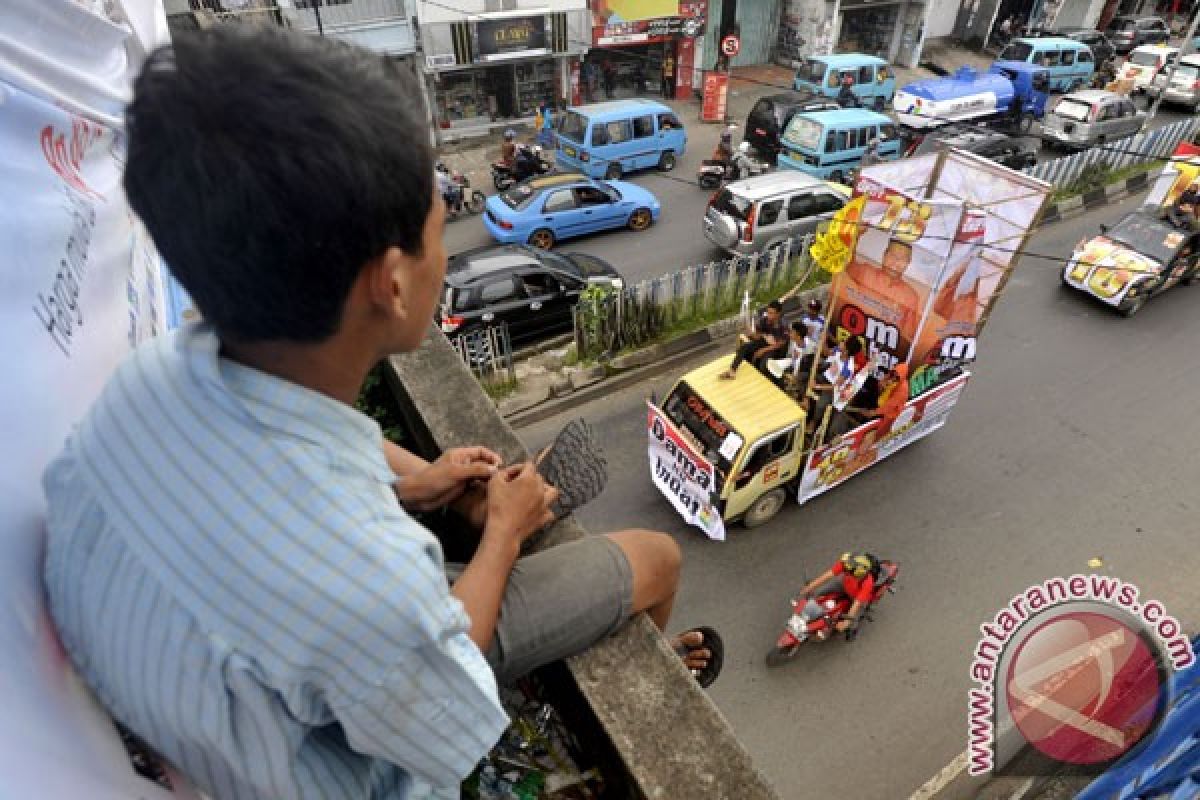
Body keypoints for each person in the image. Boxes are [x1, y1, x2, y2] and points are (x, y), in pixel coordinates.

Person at [41, 27, 720, 800]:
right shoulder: (364, 576)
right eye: (437, 228)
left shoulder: (150, 380)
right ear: (392, 284)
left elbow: (292, 475)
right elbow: (441, 689)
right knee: (655, 558)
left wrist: (416, 485)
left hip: (191, 689)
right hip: (334, 751)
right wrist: (502, 531)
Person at [844, 237, 921, 352]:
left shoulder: (911, 297)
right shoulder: (866, 272)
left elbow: (907, 336)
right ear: (884, 255)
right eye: (893, 256)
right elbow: (847, 264)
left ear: (908, 263)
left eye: (902, 259)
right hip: (852, 340)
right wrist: (857, 236)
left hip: (881, 351)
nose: (896, 262)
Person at [796, 553, 884, 636]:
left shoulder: (868, 583)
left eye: (847, 572)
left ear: (856, 573)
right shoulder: (847, 564)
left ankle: (853, 631)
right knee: (819, 594)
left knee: (853, 620)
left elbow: (856, 604)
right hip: (843, 584)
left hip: (857, 598)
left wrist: (846, 622)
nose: (845, 571)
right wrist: (810, 587)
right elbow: (827, 576)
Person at [719, 299, 786, 379]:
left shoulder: (783, 325)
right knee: (744, 347)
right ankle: (732, 371)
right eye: (768, 312)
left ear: (778, 314)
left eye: (771, 313)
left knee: (763, 364)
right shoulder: (765, 320)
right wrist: (751, 333)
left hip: (775, 349)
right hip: (765, 342)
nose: (768, 315)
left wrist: (762, 350)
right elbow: (757, 336)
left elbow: (779, 345)